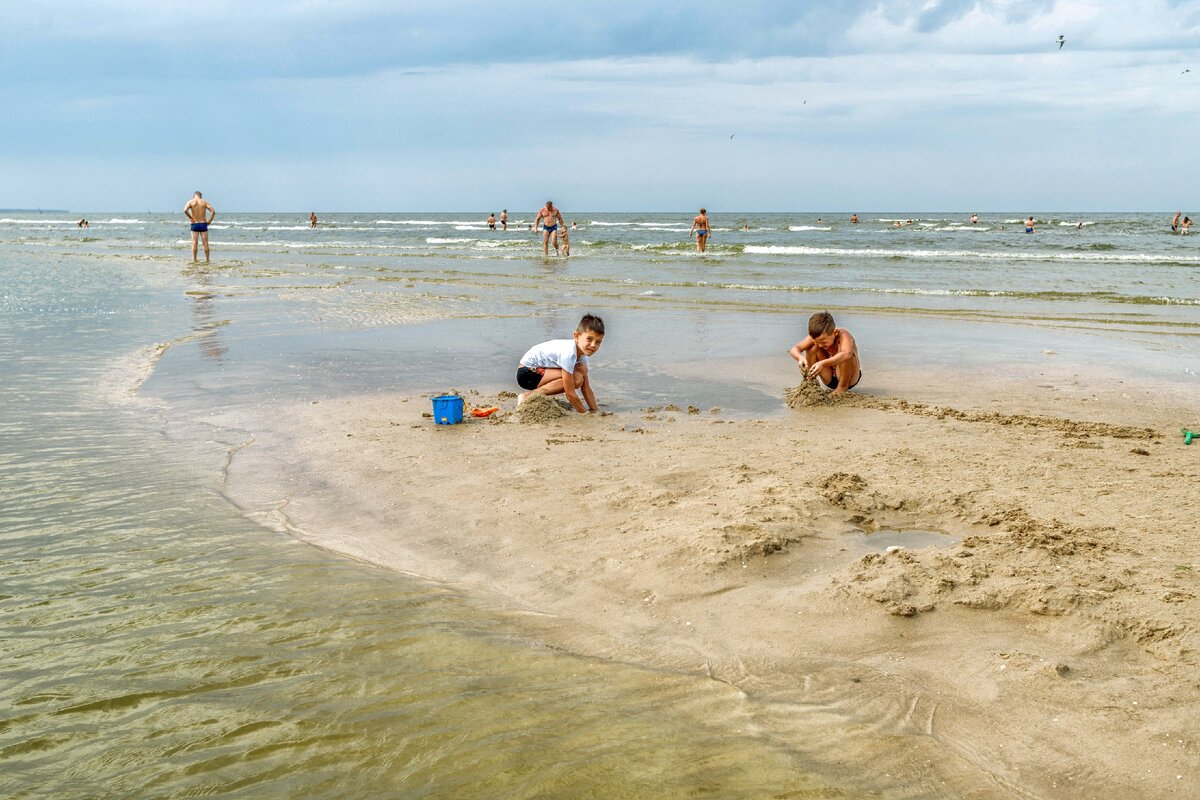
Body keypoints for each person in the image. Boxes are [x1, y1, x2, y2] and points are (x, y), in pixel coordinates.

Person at [516, 314, 604, 413]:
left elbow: (586, 388)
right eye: (589, 339)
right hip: (526, 373)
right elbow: (570, 394)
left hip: (541, 371)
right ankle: (527, 397)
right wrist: (585, 414)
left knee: (581, 374)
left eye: (598, 342)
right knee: (577, 379)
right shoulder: (568, 353)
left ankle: (531, 395)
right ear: (576, 336)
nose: (593, 345)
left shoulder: (583, 357)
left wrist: (594, 410)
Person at [788, 311, 861, 395]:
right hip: (829, 377)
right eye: (817, 342)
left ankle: (842, 387)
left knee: (845, 353)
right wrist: (800, 358)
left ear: (835, 333)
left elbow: (847, 354)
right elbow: (795, 348)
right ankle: (810, 382)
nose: (820, 345)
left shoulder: (843, 334)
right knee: (812, 347)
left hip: (849, 379)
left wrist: (823, 364)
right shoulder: (816, 337)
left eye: (824, 342)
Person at [185, 191, 216, 263]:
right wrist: (209, 221)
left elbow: (185, 210)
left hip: (194, 224)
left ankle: (194, 260)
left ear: (193, 196)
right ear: (200, 196)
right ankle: (207, 260)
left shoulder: (191, 202)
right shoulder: (204, 202)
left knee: (194, 242)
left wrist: (190, 217)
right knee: (205, 243)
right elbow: (213, 211)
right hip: (203, 224)